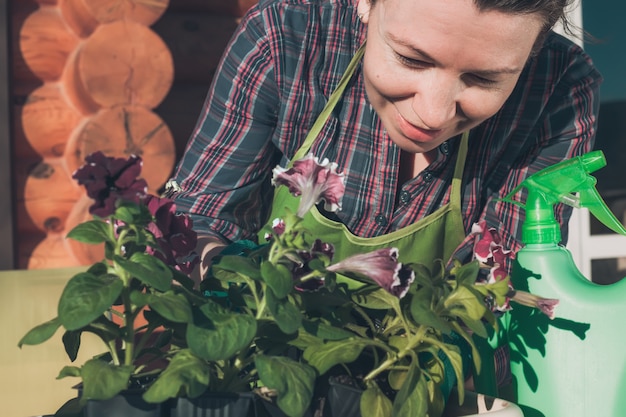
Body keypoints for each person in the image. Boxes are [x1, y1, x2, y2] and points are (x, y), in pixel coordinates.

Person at [166, 0, 601, 391]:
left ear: (535, 47)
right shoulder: (288, 36)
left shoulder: (558, 90)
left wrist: (409, 378)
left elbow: (497, 286)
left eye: (483, 78)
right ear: (365, 4)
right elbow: (201, 219)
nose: (432, 113)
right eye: (411, 59)